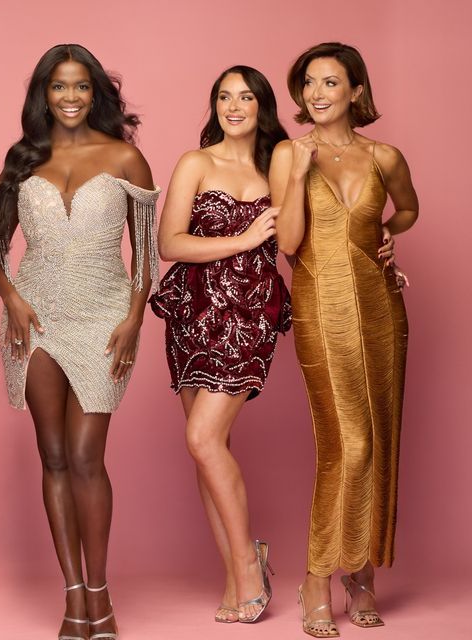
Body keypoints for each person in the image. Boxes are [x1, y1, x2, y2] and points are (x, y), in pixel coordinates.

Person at [0, 44, 158, 640]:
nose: (69, 97)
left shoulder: (125, 158)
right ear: (44, 93)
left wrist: (135, 317)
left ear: (96, 93)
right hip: (35, 319)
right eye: (58, 87)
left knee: (87, 456)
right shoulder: (23, 157)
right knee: (53, 455)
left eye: (80, 86)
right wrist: (12, 300)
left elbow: (146, 253)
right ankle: (73, 596)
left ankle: (102, 590)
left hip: (105, 315)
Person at [270, 42, 417, 638]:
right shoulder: (289, 153)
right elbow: (289, 244)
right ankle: (316, 577)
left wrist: (387, 235)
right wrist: (301, 175)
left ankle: (360, 576)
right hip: (320, 305)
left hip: (383, 307)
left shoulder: (385, 155)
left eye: (331, 83)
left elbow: (407, 210)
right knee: (346, 442)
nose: (317, 93)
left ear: (356, 91)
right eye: (309, 83)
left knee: (378, 440)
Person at [149, 66, 291, 625]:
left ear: (263, 106)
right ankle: (236, 576)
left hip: (250, 312)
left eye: (246, 97)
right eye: (224, 97)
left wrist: (378, 245)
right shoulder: (196, 161)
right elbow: (169, 244)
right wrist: (246, 237)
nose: (234, 106)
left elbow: (314, 228)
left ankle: (250, 566)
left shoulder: (281, 165)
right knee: (204, 451)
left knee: (203, 436)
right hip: (192, 311)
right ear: (215, 106)